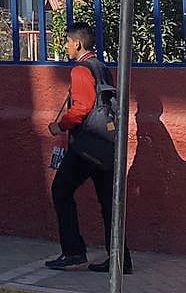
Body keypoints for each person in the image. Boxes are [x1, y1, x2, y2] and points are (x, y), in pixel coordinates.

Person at [46, 22, 131, 274]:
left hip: (87, 146)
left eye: (67, 42)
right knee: (108, 203)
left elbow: (82, 107)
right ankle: (119, 260)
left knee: (60, 190)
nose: (65, 46)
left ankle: (73, 252)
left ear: (78, 44)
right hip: (107, 144)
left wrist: (60, 126)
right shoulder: (101, 67)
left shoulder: (80, 70)